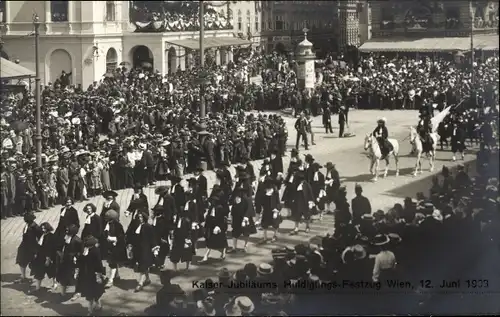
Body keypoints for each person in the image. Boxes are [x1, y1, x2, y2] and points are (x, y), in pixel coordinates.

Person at [75, 235, 106, 315]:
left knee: (93, 293)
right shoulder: (85, 250)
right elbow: (81, 260)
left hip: (93, 275)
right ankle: (96, 306)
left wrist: (99, 274)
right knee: (90, 293)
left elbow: (99, 264)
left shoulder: (95, 251)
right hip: (85, 274)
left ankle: (90, 310)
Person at [29, 222, 57, 294]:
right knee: (39, 272)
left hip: (48, 257)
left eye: (45, 228)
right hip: (40, 257)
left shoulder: (51, 236)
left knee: (52, 271)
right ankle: (37, 287)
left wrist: (48, 258)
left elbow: (50, 249)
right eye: (42, 228)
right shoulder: (42, 235)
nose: (43, 230)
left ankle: (55, 284)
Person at [130, 211, 156, 292]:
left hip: (145, 249)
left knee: (142, 266)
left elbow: (152, 238)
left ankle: (140, 283)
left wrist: (154, 248)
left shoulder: (148, 226)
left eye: (141, 217)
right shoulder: (138, 226)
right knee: (143, 265)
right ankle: (147, 279)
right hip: (138, 249)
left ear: (144, 218)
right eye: (139, 217)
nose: (140, 219)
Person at [102, 209, 126, 288]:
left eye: (107, 217)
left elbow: (121, 236)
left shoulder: (118, 225)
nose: (105, 218)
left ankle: (110, 280)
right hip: (108, 246)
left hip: (115, 246)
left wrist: (114, 238)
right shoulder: (106, 224)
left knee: (113, 263)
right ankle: (117, 275)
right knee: (111, 262)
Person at [55, 224, 82, 297]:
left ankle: (77, 291)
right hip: (65, 260)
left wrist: (75, 257)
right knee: (63, 276)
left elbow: (80, 251)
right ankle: (63, 292)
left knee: (74, 277)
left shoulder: (77, 240)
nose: (66, 231)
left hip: (72, 262)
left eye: (68, 230)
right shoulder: (65, 237)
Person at [201, 195, 228, 262]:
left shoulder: (219, 208)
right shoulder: (211, 208)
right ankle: (206, 256)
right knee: (211, 242)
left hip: (217, 227)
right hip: (211, 227)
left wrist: (219, 227)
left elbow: (221, 218)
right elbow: (208, 218)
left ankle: (207, 256)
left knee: (219, 242)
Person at [15, 212, 40, 284]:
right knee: (21, 260)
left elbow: (40, 238)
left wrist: (37, 249)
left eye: (25, 218)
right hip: (24, 246)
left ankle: (37, 277)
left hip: (32, 247)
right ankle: (23, 276)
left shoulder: (35, 227)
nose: (24, 219)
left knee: (34, 262)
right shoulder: (27, 225)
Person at [230, 188, 257, 252]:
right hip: (237, 218)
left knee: (246, 233)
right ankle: (235, 247)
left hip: (244, 219)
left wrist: (245, 219)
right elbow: (233, 209)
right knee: (235, 233)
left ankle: (245, 246)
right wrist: (232, 218)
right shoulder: (237, 199)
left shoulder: (247, 199)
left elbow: (249, 209)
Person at [257, 177, 282, 243]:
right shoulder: (264, 190)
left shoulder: (275, 191)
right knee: (264, 224)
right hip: (266, 209)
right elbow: (261, 200)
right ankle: (265, 237)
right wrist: (261, 209)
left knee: (275, 224)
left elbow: (278, 202)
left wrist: (277, 210)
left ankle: (275, 236)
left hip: (274, 210)